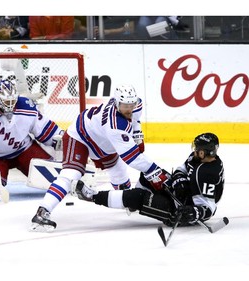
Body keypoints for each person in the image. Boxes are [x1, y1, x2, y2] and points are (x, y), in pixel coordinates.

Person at [30, 84, 169, 232]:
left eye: (131, 105)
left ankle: (126, 199)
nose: (129, 109)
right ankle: (42, 211)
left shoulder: (136, 104)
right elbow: (132, 158)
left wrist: (137, 134)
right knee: (71, 175)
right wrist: (155, 170)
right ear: (116, 103)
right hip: (80, 137)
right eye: (124, 106)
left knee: (119, 171)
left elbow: (135, 119)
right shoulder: (115, 125)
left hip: (103, 142)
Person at [75, 132, 225, 227]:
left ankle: (93, 196)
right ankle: (130, 202)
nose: (194, 150)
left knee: (137, 197)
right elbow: (183, 168)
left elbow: (209, 208)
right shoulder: (197, 158)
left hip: (180, 212)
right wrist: (179, 179)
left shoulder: (208, 174)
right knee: (150, 175)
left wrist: (193, 213)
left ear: (205, 152)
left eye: (198, 149)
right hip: (183, 194)